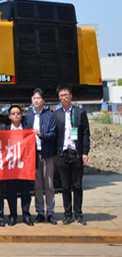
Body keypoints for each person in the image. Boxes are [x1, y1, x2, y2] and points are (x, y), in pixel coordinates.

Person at [55, 84, 90, 226]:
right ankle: (67, 215)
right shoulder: (56, 114)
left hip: (77, 154)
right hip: (63, 155)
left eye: (66, 95)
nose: (64, 98)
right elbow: (55, 135)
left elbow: (85, 134)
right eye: (61, 96)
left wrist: (85, 152)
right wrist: (56, 154)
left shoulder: (80, 113)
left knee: (77, 186)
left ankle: (79, 214)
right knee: (65, 187)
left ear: (71, 96)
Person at [23, 88, 57, 225]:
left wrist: (41, 134)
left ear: (43, 100)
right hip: (33, 154)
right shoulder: (28, 116)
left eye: (38, 98)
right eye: (34, 98)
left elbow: (53, 134)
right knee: (37, 185)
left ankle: (51, 212)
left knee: (49, 184)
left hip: (47, 153)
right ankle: (40, 212)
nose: (36, 100)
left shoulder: (50, 115)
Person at [4, 105, 34, 226]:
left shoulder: (27, 130)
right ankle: (13, 215)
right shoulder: (5, 130)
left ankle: (26, 215)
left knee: (25, 192)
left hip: (24, 166)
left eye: (18, 113)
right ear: (9, 116)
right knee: (11, 192)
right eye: (13, 113)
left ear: (21, 115)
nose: (16, 115)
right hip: (10, 166)